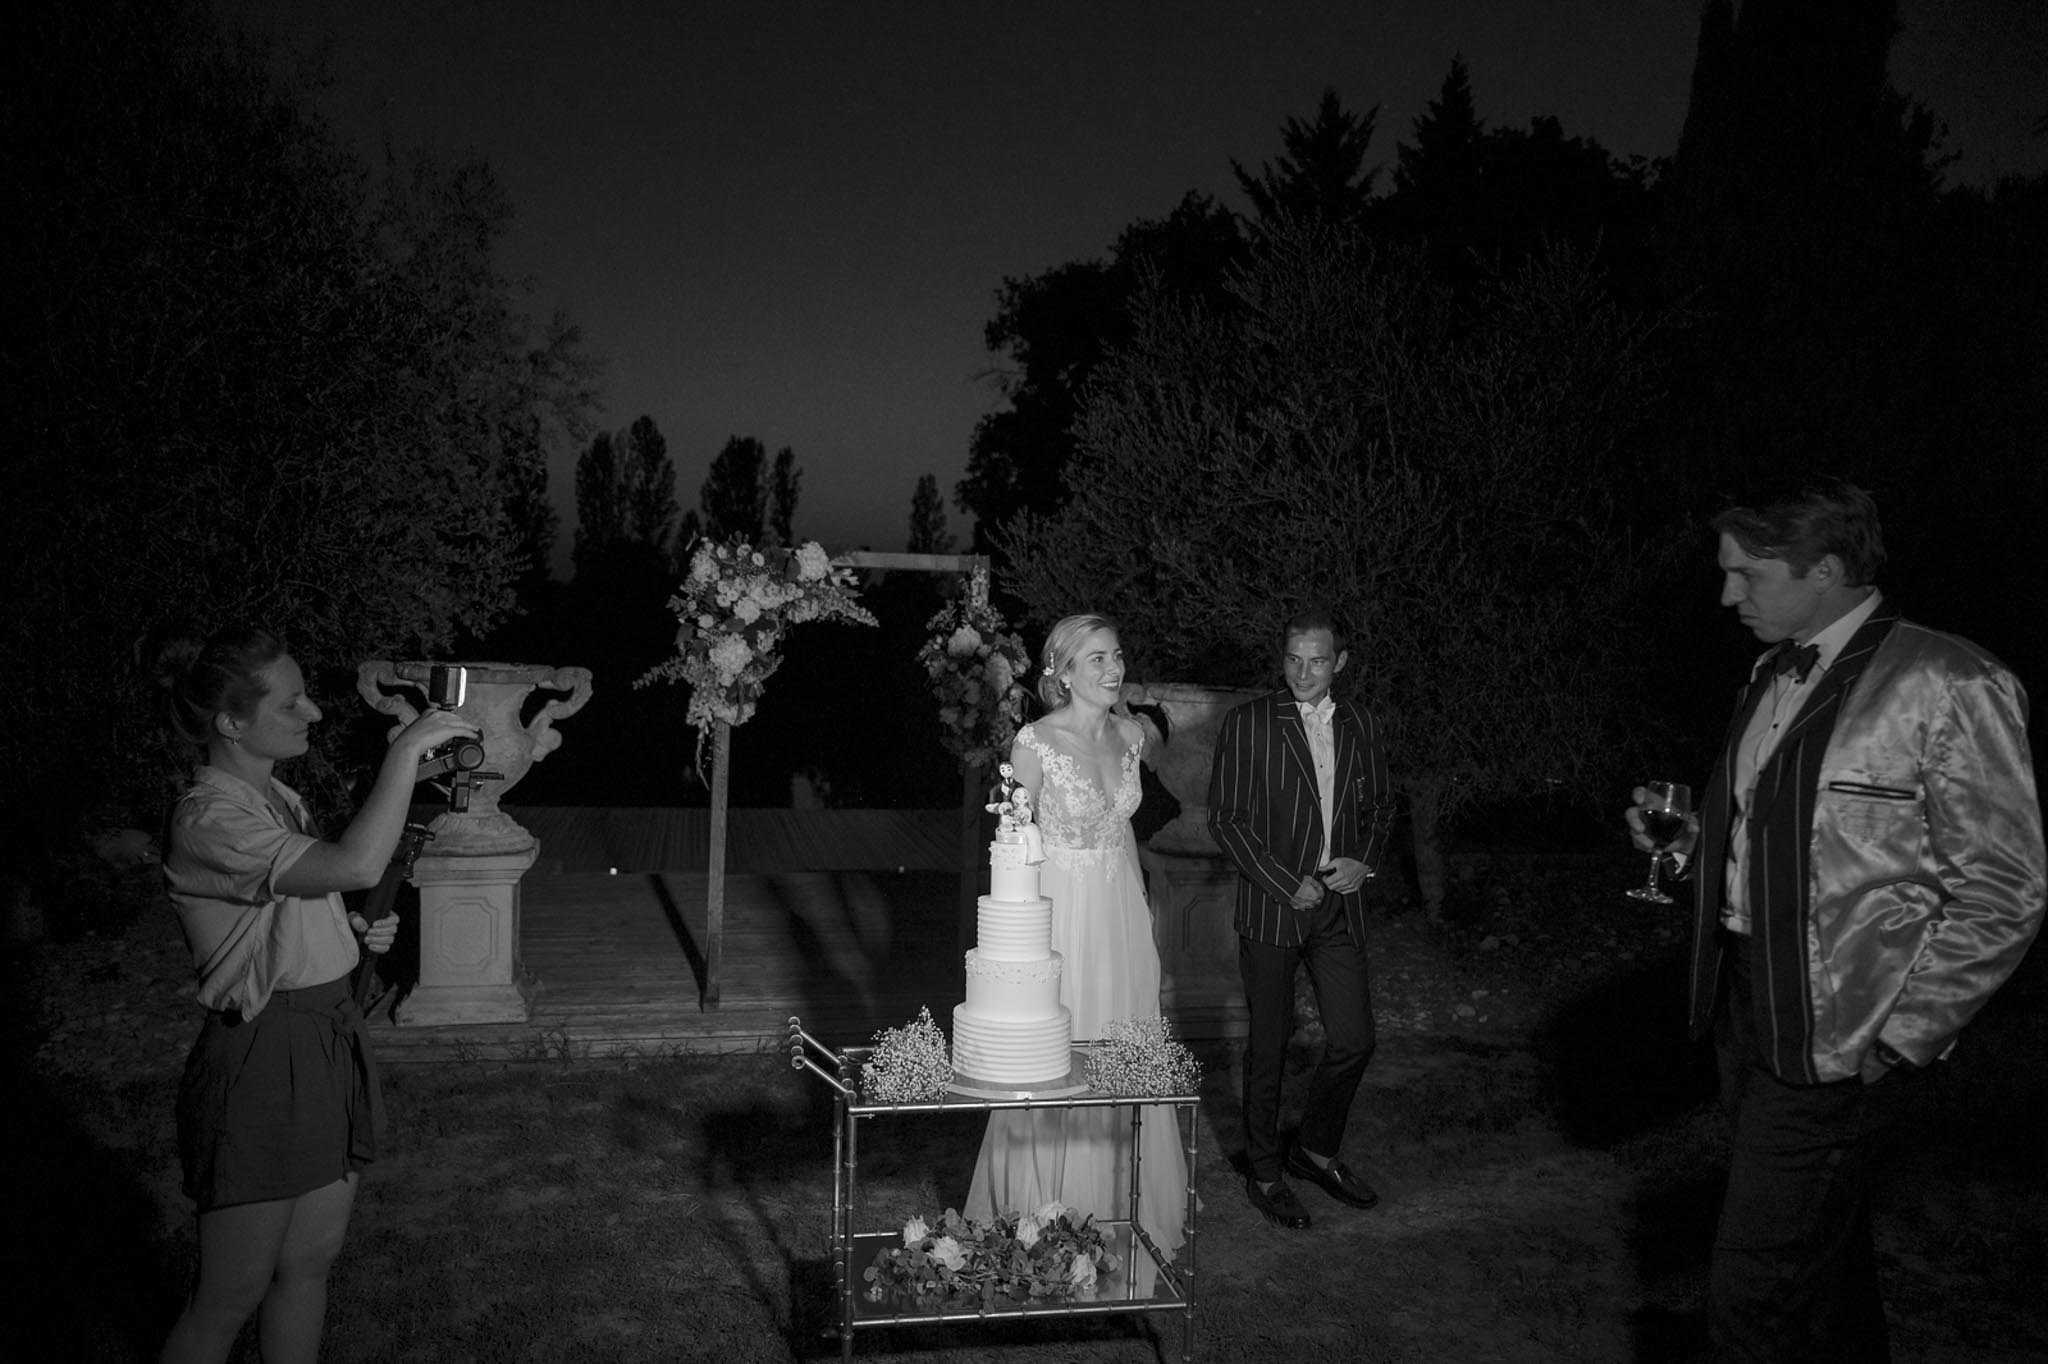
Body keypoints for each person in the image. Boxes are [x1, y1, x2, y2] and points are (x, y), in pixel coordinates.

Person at [1624, 482, 2044, 1361]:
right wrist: (1695, 845)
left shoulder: (1950, 681)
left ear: (1826, 569)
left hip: (1842, 1042)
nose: (1727, 597)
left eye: (1747, 575)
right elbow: (1787, 839)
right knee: (1824, 1253)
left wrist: (1905, 1033)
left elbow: (2005, 889)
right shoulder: (1770, 672)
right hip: (1747, 1016)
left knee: (1750, 1295)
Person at [154, 625, 478, 1364]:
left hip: (325, 1038)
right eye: (292, 702)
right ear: (232, 724)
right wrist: (403, 756)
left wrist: (348, 934)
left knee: (306, 1267)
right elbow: (356, 861)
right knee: (229, 1295)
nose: (315, 715)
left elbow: (308, 898)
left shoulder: (279, 800)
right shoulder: (210, 817)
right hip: (263, 1056)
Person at [962, 614, 1189, 1270]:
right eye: (1094, 659)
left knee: (1125, 1041)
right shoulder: (1034, 743)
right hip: (1060, 919)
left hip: (1120, 915)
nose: (1112, 669)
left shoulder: (1131, 735)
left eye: (1116, 655)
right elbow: (1011, 849)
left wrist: (1141, 918)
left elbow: (1122, 835)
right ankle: (1045, 1216)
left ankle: (1128, 1206)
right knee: (1056, 1054)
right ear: (1059, 671)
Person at [1208, 607, 1394, 1230]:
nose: (1303, 672)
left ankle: (1315, 1149)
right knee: (1269, 1044)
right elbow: (1226, 820)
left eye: (1317, 660)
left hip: (1340, 907)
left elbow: (1380, 810)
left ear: (1339, 662)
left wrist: (1362, 863)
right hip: (1273, 907)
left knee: (1355, 1039)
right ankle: (1264, 1172)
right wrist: (1288, 884)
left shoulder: (1363, 723)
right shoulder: (1251, 722)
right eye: (1293, 659)